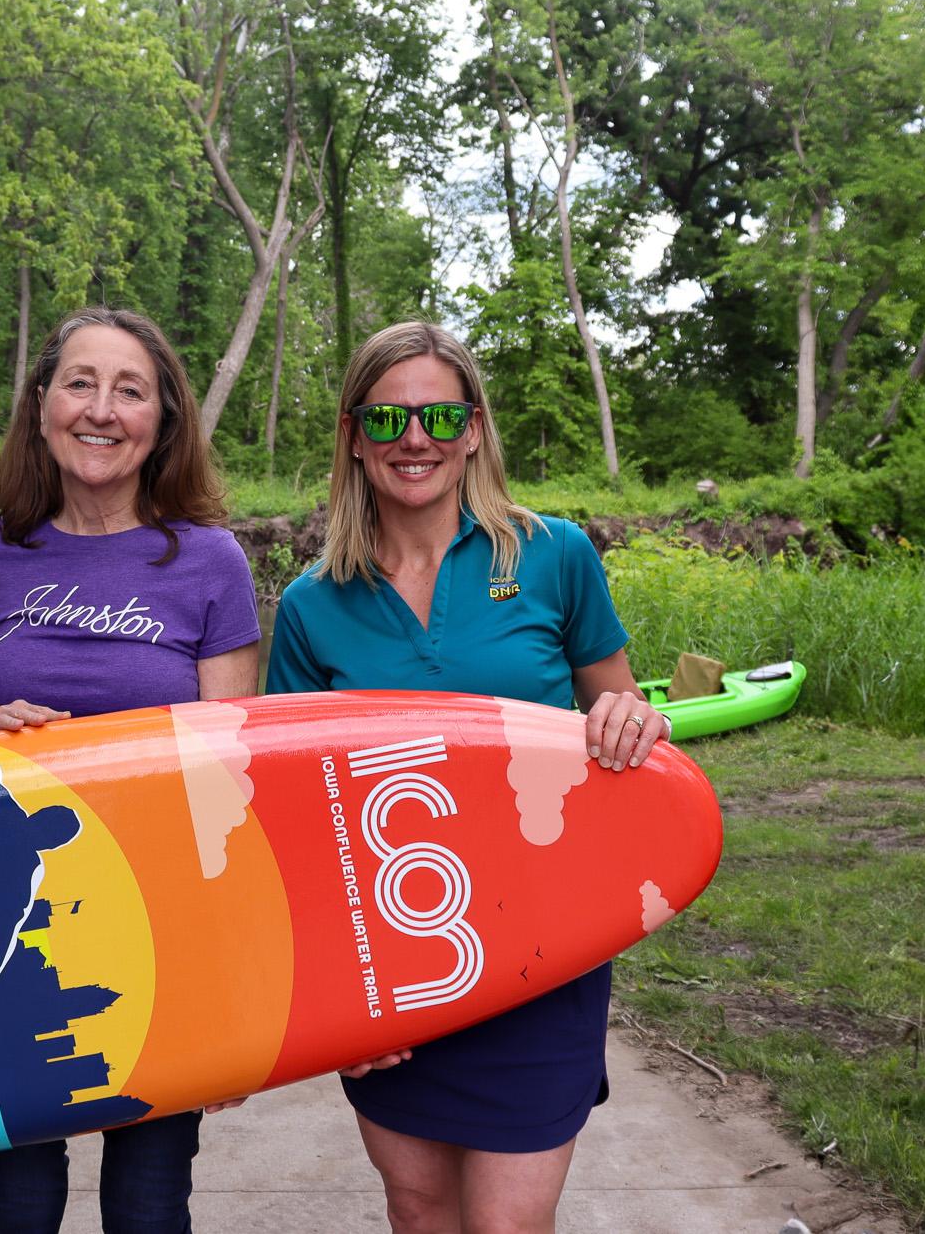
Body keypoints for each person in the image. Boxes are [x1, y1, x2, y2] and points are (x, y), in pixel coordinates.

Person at [264, 321, 672, 1234]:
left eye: (442, 414)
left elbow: (625, 710)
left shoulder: (555, 555)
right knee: (417, 1206)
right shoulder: (309, 605)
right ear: (354, 435)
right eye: (390, 417)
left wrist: (636, 718)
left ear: (476, 429)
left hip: (544, 945)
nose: (418, 438)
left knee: (509, 1223)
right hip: (390, 961)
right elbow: (292, 819)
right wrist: (334, 994)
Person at [0, 307, 262, 1234]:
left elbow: (228, 786)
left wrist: (232, 990)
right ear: (41, 404)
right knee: (15, 1197)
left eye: (131, 390)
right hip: (13, 927)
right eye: (80, 382)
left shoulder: (209, 561)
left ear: (164, 420)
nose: (102, 409)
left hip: (161, 926)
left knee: (151, 1201)